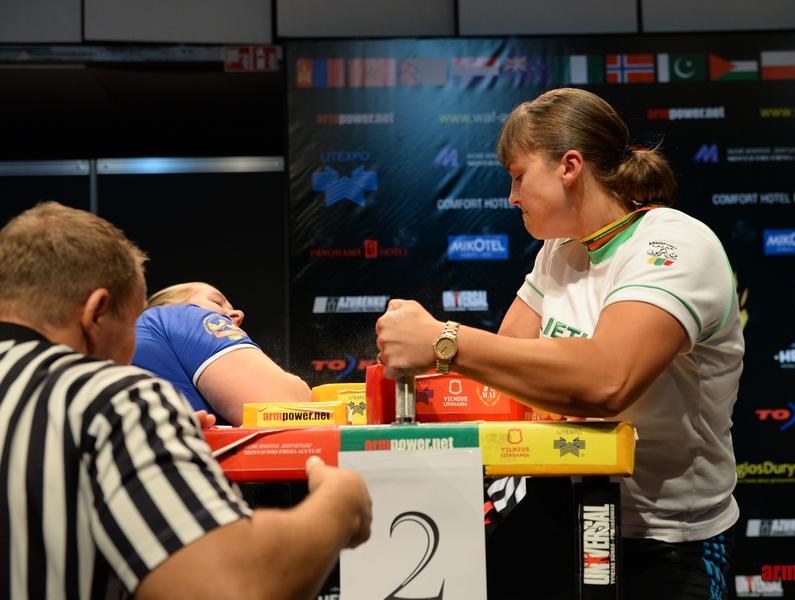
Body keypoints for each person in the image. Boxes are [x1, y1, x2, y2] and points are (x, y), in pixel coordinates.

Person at [375, 88, 743, 599]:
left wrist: (443, 340)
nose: (511, 196)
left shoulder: (674, 245)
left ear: (570, 166)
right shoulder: (559, 251)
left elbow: (606, 381)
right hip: (562, 515)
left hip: (664, 540)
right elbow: (508, 373)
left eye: (519, 176)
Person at [0, 202, 371, 600]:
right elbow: (236, 588)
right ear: (96, 314)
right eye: (132, 322)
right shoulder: (121, 396)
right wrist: (340, 504)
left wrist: (156, 453)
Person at [132, 282, 312, 425]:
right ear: (171, 306)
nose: (238, 314)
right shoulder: (176, 315)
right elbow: (290, 412)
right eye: (217, 302)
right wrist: (300, 388)